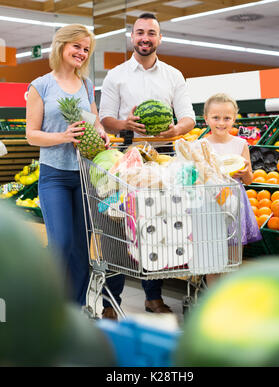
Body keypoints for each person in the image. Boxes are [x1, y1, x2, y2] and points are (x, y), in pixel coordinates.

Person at [99, 13, 196, 319]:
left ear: (159, 38)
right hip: (126, 156)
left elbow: (188, 117)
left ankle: (153, 297)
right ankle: (109, 301)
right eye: (140, 32)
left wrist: (176, 131)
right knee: (116, 227)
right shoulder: (116, 75)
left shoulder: (173, 75)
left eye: (151, 33)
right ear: (132, 37)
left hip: (163, 157)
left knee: (155, 227)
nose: (145, 38)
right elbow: (105, 119)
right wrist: (124, 122)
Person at [26, 24, 110, 306]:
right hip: (55, 176)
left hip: (85, 176)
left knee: (81, 251)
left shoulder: (87, 85)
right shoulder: (40, 85)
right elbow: (31, 134)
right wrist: (63, 136)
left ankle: (75, 312)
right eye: (77, 46)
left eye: (86, 49)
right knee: (60, 244)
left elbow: (94, 119)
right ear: (61, 46)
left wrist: (101, 133)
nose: (82, 53)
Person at [203, 93, 262, 285]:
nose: (221, 122)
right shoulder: (201, 145)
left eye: (227, 118)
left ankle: (228, 299)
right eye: (216, 117)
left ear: (234, 119)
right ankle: (213, 299)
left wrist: (244, 171)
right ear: (206, 119)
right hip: (210, 203)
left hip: (235, 201)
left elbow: (249, 179)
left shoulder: (240, 144)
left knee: (233, 256)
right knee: (211, 259)